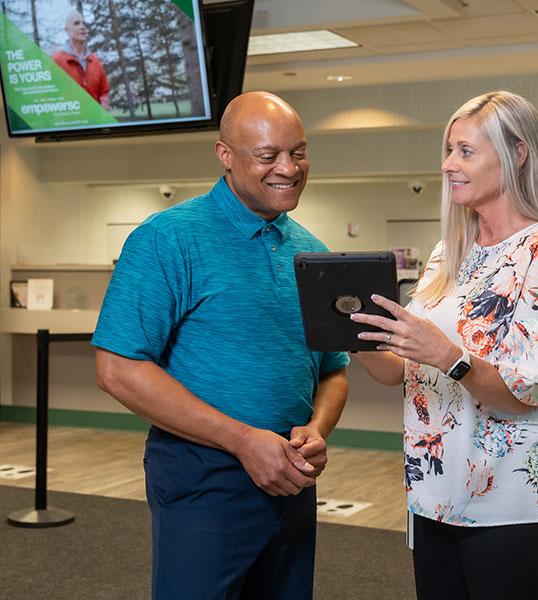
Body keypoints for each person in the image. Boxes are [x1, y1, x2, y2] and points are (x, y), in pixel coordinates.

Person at [92, 91, 349, 599]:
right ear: (225, 155)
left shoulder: (312, 251)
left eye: (298, 152)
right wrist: (241, 440)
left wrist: (317, 430)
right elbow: (117, 368)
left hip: (291, 471)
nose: (288, 168)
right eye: (267, 155)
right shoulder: (169, 238)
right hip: (204, 472)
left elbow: (332, 369)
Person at [350, 91, 538, 600]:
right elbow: (397, 371)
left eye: (465, 151)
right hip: (436, 497)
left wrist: (447, 354)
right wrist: (349, 331)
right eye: (448, 150)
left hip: (513, 506)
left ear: (517, 153)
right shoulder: (448, 253)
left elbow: (521, 396)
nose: (447, 165)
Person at [51, 11, 110, 109]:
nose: (82, 27)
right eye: (76, 23)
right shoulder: (56, 61)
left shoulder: (95, 62)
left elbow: (104, 91)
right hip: (69, 123)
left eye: (83, 23)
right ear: (67, 30)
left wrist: (104, 101)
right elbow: (47, 96)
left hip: (95, 122)